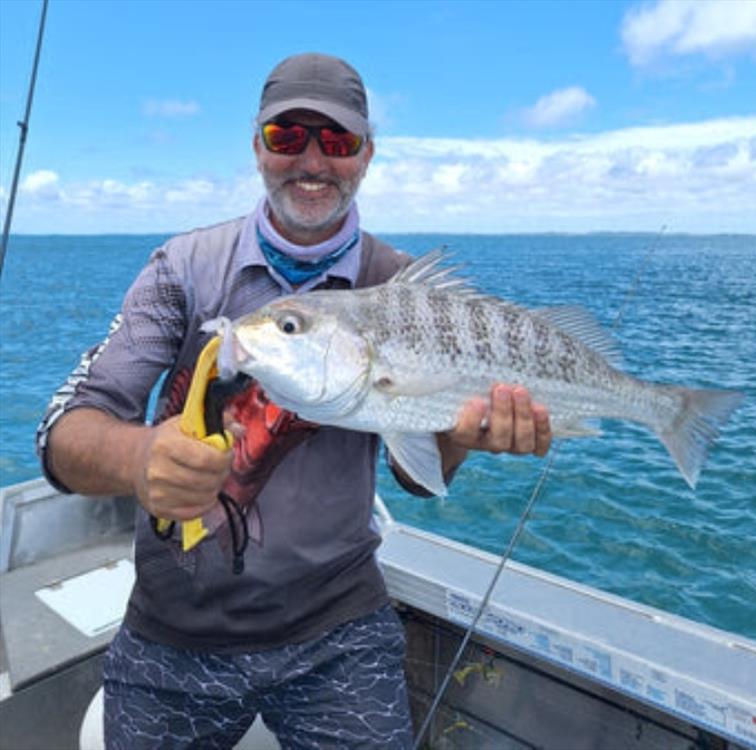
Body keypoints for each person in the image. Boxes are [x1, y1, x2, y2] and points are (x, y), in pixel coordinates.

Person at [36, 52, 552, 750]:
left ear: (366, 156)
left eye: (337, 141)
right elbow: (64, 428)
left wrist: (460, 436)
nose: (313, 161)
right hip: (174, 627)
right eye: (288, 138)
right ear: (258, 148)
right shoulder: (185, 269)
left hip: (338, 628)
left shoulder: (402, 286)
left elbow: (414, 472)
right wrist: (139, 457)